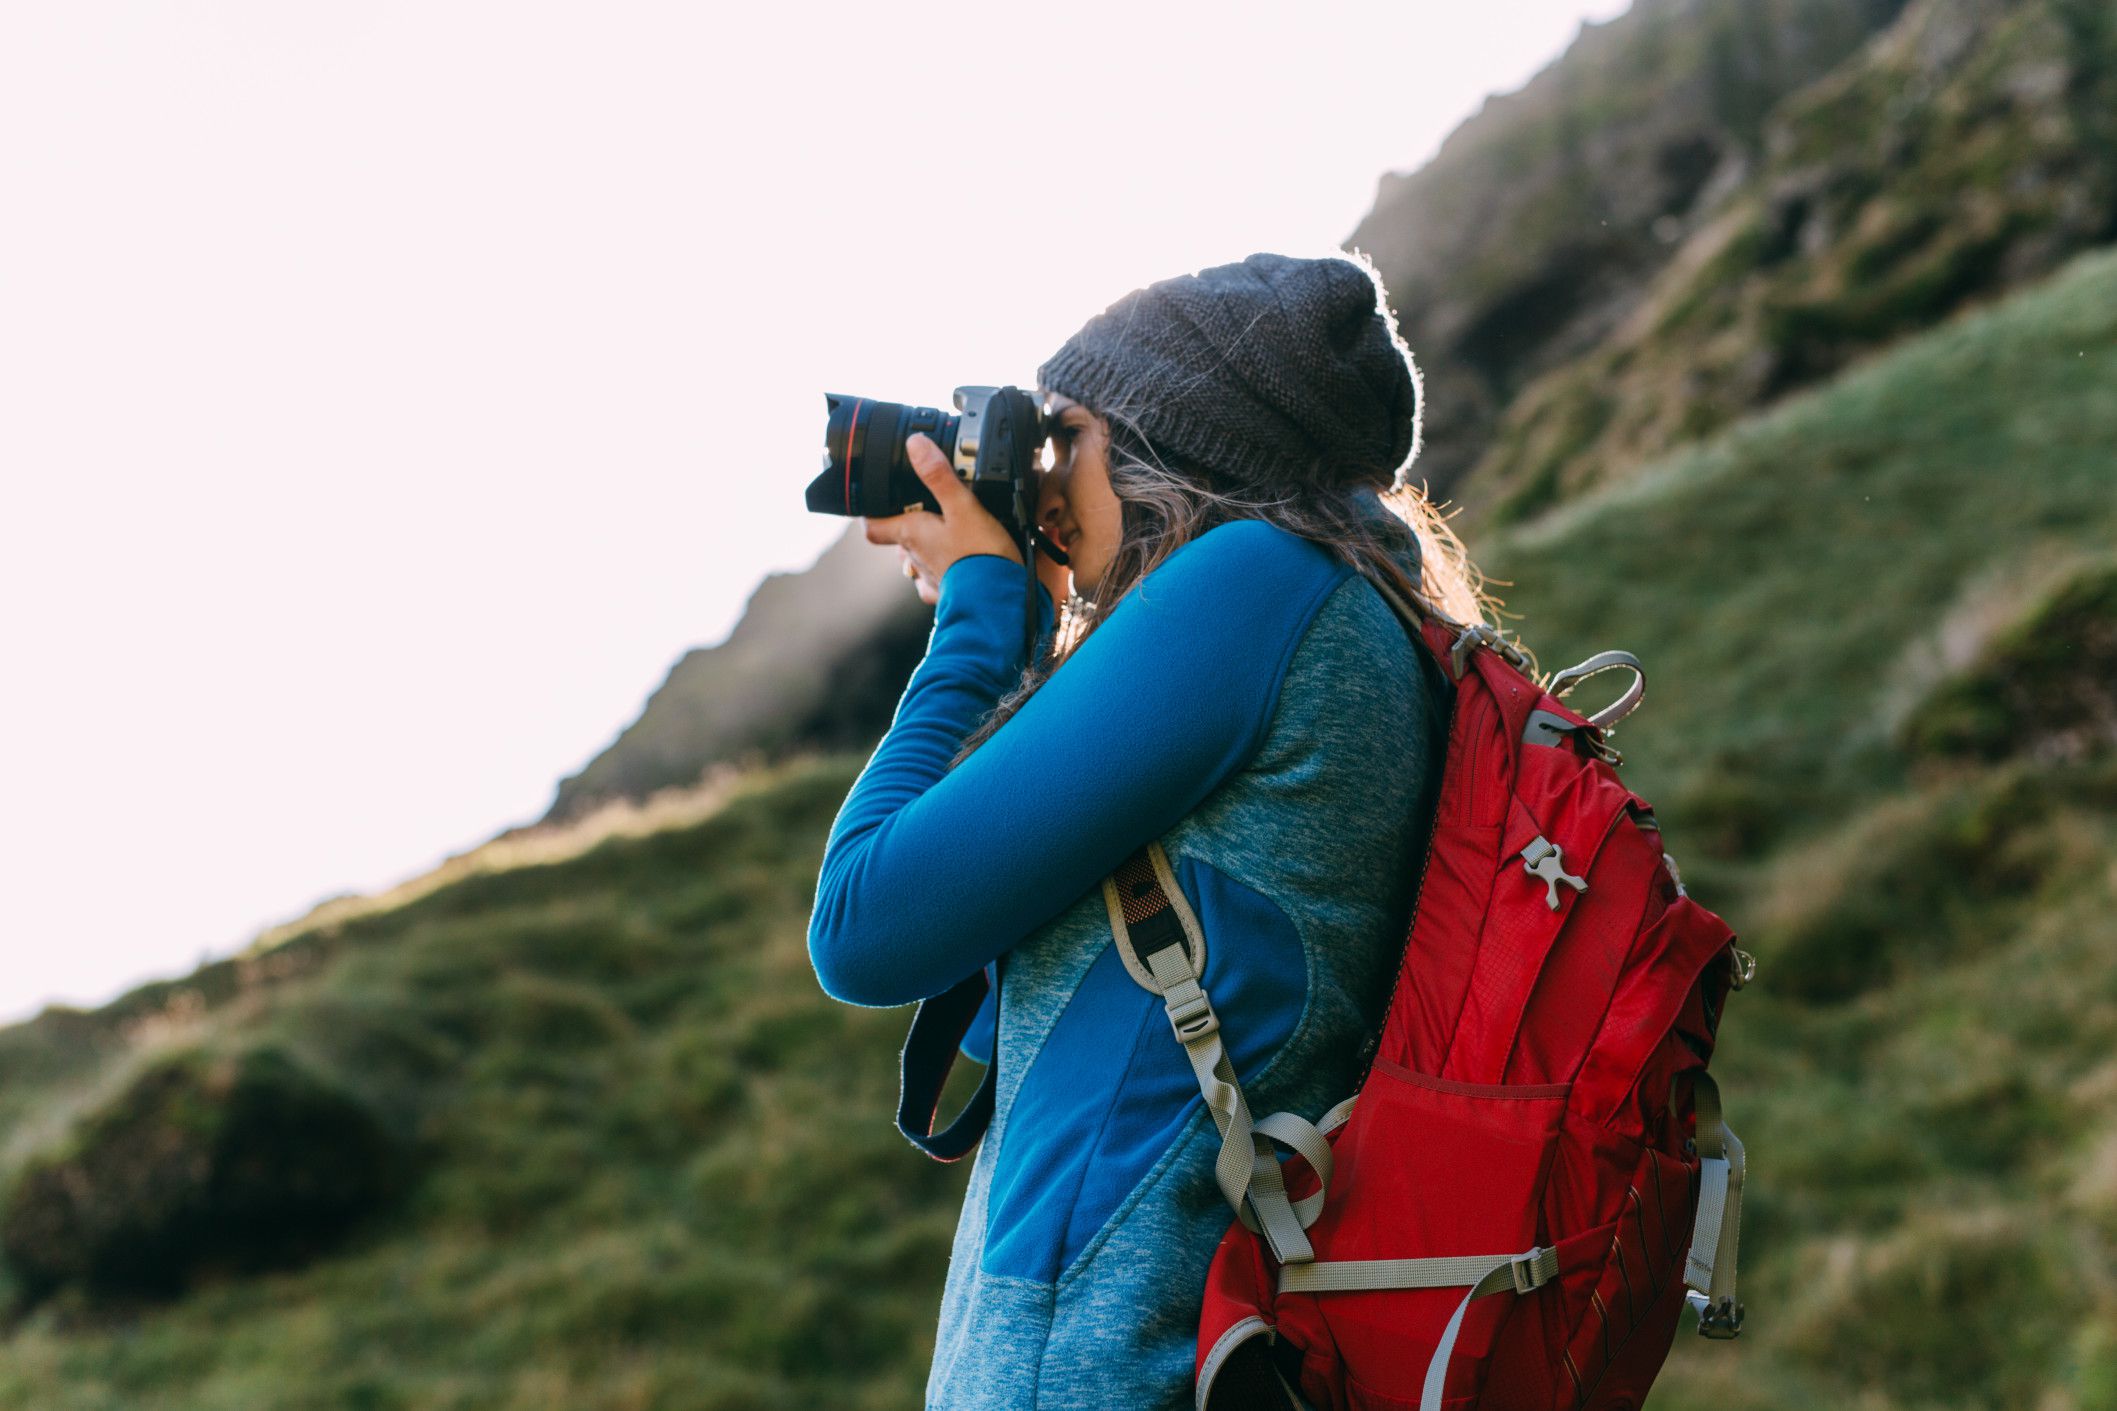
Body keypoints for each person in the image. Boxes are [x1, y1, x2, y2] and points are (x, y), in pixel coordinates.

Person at [807, 250, 1502, 1410]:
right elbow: (1028, 1018)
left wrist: (984, 621)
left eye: (1062, 436)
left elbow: (862, 924)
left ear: (1168, 440)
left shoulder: (1253, 584)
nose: (1041, 474)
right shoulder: (1356, 613)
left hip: (1095, 1368)